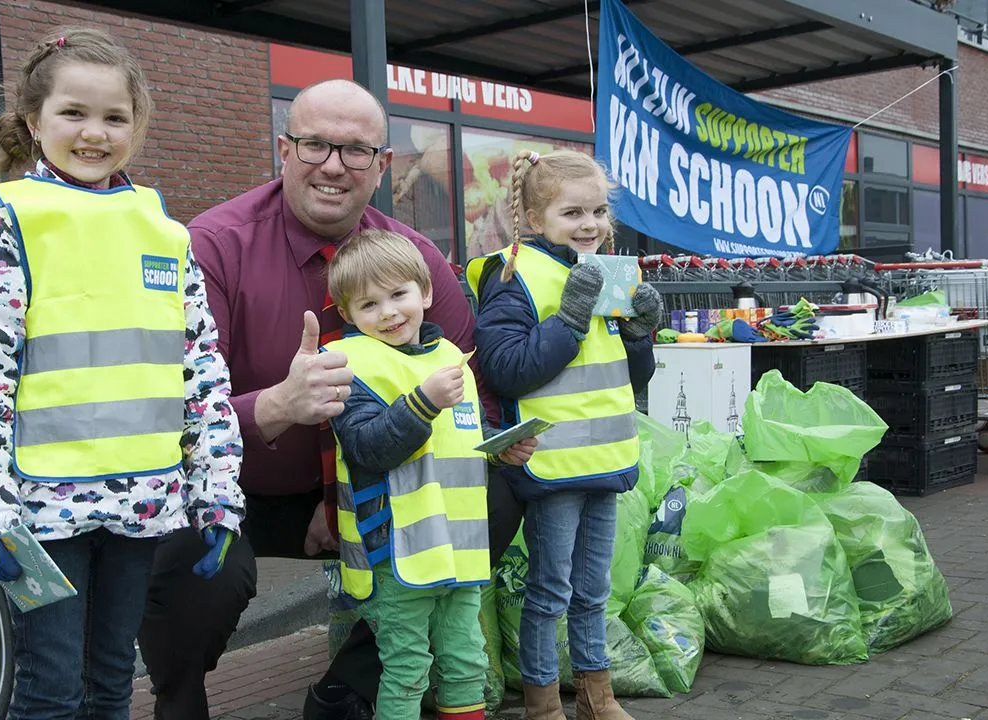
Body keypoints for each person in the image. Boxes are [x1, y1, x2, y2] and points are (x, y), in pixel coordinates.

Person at [137, 78, 525, 720]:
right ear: (284, 150)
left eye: (355, 151)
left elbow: (472, 387)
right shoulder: (210, 248)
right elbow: (164, 414)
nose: (334, 167)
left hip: (380, 493)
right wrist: (277, 405)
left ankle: (353, 684)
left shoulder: (415, 261)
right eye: (316, 145)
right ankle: (180, 700)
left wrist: (503, 435)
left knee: (496, 496)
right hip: (241, 490)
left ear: (383, 165)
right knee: (187, 556)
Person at [0, 26, 244, 720]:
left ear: (138, 126)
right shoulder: (6, 224)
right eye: (74, 113)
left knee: (110, 684)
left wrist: (217, 490)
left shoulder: (162, 230)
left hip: (139, 506)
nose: (94, 133)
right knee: (47, 691)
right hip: (40, 510)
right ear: (33, 121)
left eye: (115, 117)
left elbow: (199, 370)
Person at [465, 149, 662, 720]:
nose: (590, 225)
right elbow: (505, 368)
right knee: (550, 592)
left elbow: (633, 376)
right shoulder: (511, 275)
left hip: (607, 458)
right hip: (550, 464)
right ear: (532, 218)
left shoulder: (614, 273)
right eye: (572, 212)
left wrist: (641, 334)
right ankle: (543, 703)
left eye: (599, 211)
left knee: (593, 592)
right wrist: (569, 320)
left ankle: (598, 699)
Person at [323, 228, 539, 720]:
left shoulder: (450, 360)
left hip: (460, 551)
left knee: (467, 664)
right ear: (348, 314)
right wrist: (422, 402)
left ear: (425, 292)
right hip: (397, 555)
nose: (389, 313)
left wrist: (501, 450)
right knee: (406, 670)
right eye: (369, 305)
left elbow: (464, 438)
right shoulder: (348, 365)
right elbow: (368, 447)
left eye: (398, 295)